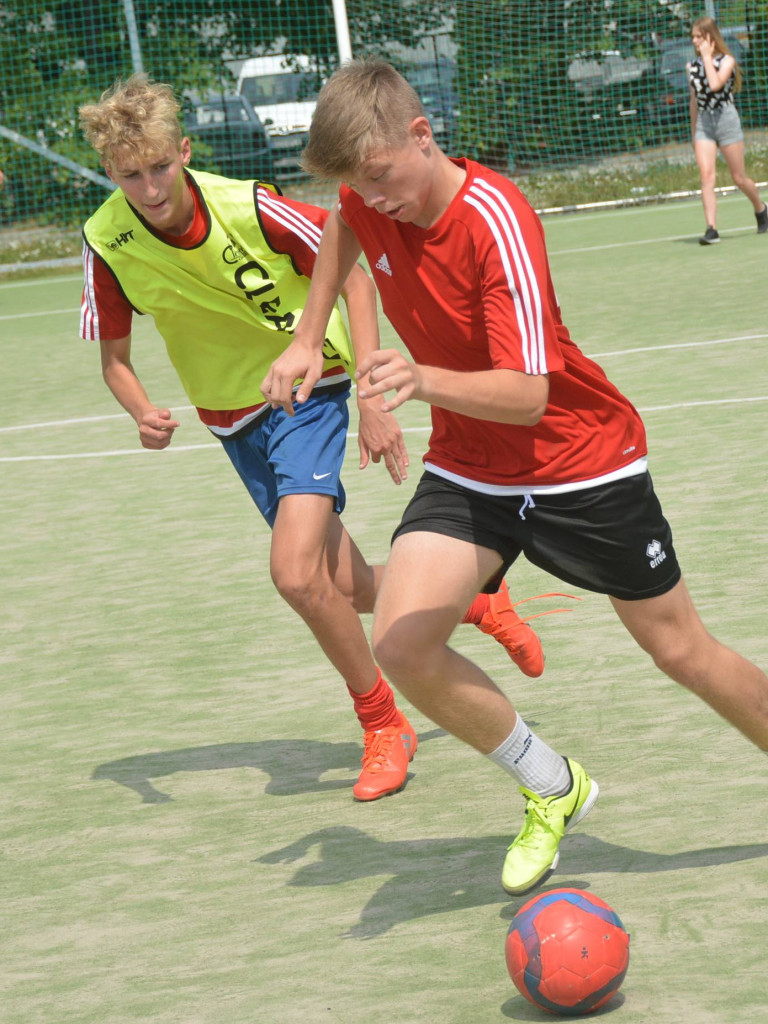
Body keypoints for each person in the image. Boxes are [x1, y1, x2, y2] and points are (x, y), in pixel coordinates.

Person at [262, 59, 768, 896]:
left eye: (383, 176)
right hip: (471, 464)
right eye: (359, 184)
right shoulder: (363, 195)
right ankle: (553, 786)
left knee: (680, 649)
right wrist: (310, 336)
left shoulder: (496, 219)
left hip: (580, 460)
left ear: (422, 136)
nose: (373, 197)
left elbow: (530, 396)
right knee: (400, 638)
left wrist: (419, 381)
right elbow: (340, 228)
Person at [77, 73, 548, 805]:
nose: (149, 187)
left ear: (186, 152)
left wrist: (367, 387)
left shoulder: (250, 207)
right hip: (231, 417)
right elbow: (114, 361)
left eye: (161, 166)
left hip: (307, 386)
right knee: (342, 584)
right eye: (129, 175)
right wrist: (140, 410)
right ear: (110, 174)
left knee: (295, 575)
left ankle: (382, 720)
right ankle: (476, 601)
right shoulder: (105, 239)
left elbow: (354, 275)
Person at [687, 16, 767, 245]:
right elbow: (694, 100)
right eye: (693, 37)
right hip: (705, 123)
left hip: (726, 120)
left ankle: (761, 209)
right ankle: (711, 229)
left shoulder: (727, 61)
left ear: (710, 38)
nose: (694, 41)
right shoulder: (691, 67)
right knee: (706, 176)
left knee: (739, 178)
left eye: (698, 37)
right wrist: (694, 132)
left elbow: (715, 85)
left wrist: (706, 58)